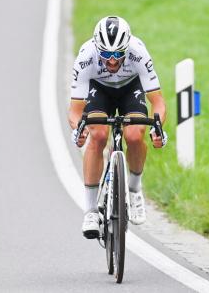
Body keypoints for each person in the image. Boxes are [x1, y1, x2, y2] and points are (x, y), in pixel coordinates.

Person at [68, 16, 168, 239]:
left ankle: (134, 190)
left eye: (118, 55)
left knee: (134, 134)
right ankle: (91, 211)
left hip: (130, 88)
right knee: (98, 134)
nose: (112, 62)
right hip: (99, 89)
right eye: (106, 55)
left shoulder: (138, 52)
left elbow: (158, 102)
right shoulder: (86, 56)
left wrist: (157, 128)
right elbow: (75, 111)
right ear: (97, 49)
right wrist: (78, 129)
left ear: (127, 48)